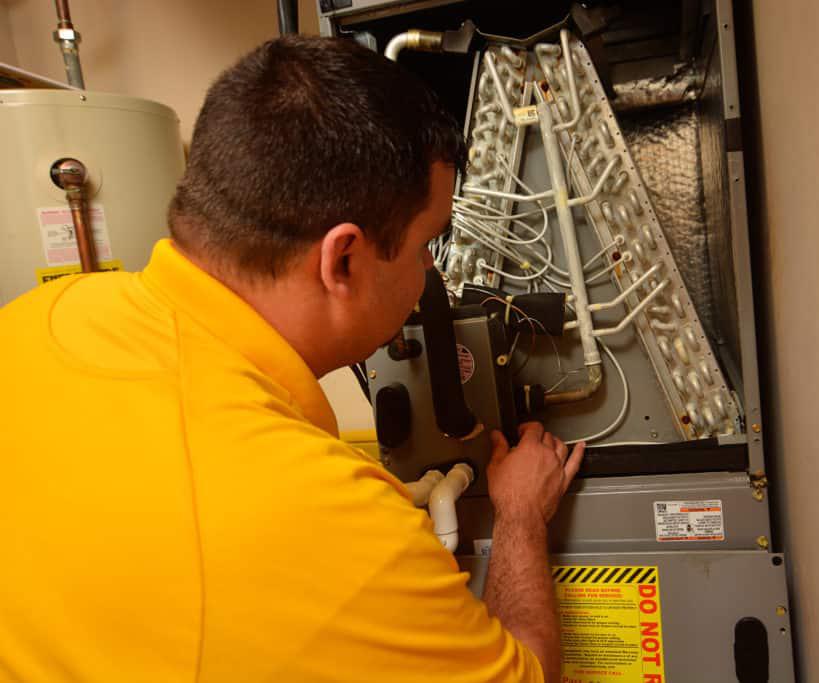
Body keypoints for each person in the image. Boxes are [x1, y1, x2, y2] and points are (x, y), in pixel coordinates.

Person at [0, 35, 583, 682]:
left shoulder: (38, 317)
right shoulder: (334, 528)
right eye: (425, 246)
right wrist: (522, 515)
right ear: (343, 260)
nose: (427, 276)